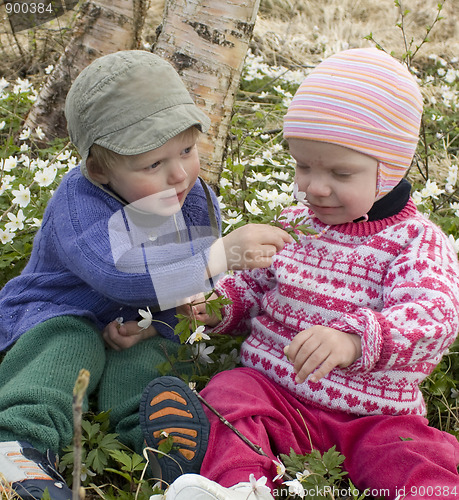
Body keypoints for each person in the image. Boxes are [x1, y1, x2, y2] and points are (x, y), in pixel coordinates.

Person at [144, 48, 459, 500]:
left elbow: (433, 317)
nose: (314, 186)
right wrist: (219, 306)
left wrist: (353, 341)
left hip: (375, 417)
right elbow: (257, 285)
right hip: (275, 396)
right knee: (229, 394)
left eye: (340, 172)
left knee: (411, 457)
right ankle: (238, 488)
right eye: (303, 166)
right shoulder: (296, 222)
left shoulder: (416, 241)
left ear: (389, 170)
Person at [0, 50, 291, 500]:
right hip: (57, 312)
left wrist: (158, 322)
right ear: (100, 170)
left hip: (137, 323)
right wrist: (221, 254)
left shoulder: (193, 198)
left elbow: (185, 284)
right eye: (153, 164)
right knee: (69, 343)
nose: (180, 174)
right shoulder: (79, 204)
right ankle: (17, 446)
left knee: (154, 360)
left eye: (188, 151)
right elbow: (122, 277)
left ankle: (163, 454)